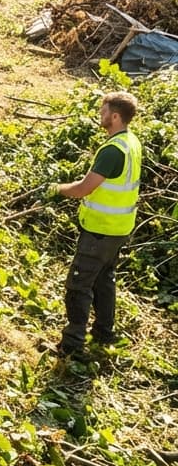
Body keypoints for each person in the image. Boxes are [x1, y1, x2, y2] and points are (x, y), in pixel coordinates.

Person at [46, 91, 142, 358]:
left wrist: (56, 189)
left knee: (79, 284)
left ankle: (72, 344)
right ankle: (103, 332)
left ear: (115, 116)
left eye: (103, 112)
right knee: (104, 280)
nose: (100, 116)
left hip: (100, 230)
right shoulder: (131, 142)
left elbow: (83, 189)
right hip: (119, 229)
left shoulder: (113, 151)